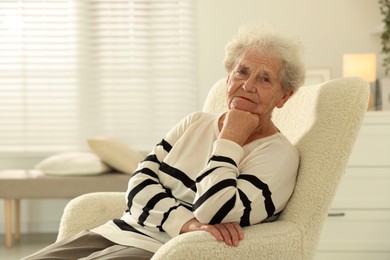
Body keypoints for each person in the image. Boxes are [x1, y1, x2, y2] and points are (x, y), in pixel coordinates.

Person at [23, 24, 305, 260]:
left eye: (265, 78)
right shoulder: (195, 122)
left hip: (169, 251)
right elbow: (139, 184)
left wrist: (230, 138)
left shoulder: (279, 156)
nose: (248, 85)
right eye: (242, 71)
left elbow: (214, 210)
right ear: (229, 75)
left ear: (284, 97)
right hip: (119, 230)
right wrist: (187, 223)